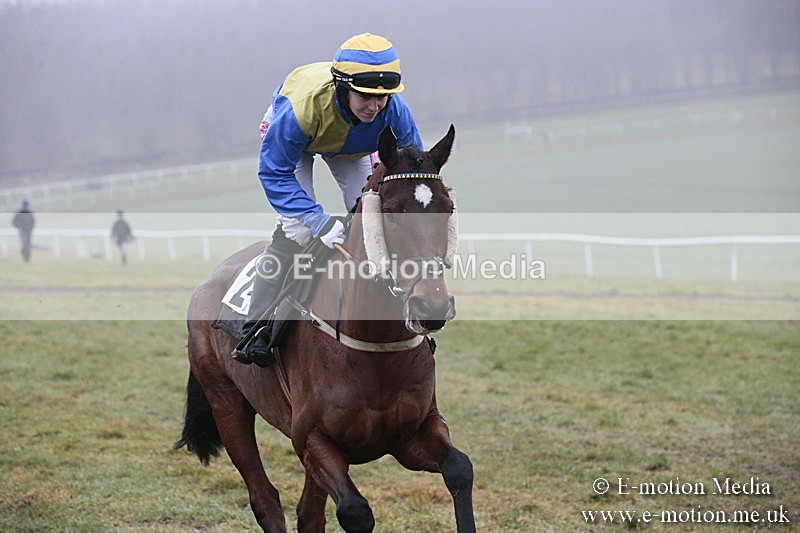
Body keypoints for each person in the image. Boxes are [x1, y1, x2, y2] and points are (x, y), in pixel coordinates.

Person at [234, 33, 423, 365]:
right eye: (365, 96)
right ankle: (257, 326)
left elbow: (411, 168)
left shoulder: (394, 110)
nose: (375, 107)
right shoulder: (300, 111)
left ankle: (402, 321)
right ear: (342, 87)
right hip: (298, 142)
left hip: (351, 147)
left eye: (383, 98)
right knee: (299, 231)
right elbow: (273, 174)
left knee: (375, 221)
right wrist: (317, 220)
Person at [12, 199, 35, 264]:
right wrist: (18, 228)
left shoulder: (30, 213)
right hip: (22, 232)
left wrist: (31, 228)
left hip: (29, 232)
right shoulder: (18, 213)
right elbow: (14, 222)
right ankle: (25, 259)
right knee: (24, 245)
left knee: (27, 246)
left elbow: (33, 221)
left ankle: (27, 259)